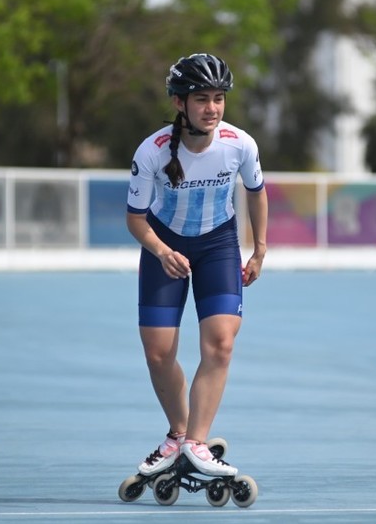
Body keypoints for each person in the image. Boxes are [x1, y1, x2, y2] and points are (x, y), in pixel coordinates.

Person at [126, 53, 268, 478]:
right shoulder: (151, 152)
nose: (212, 108)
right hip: (164, 244)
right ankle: (178, 434)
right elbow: (135, 219)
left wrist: (259, 249)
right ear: (179, 103)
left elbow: (256, 192)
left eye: (218, 98)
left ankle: (197, 443)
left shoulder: (240, 144)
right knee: (158, 353)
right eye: (202, 98)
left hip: (218, 244)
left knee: (221, 343)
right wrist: (161, 251)